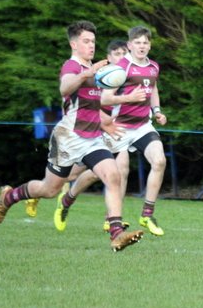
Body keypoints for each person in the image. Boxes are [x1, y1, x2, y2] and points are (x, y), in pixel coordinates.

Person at [0, 20, 143, 252]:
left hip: (92, 138)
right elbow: (64, 88)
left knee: (113, 175)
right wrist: (85, 75)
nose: (91, 45)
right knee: (49, 189)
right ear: (74, 44)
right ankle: (9, 197)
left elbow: (96, 102)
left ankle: (116, 233)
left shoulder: (96, 70)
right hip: (68, 138)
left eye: (93, 41)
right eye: (86, 41)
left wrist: (117, 108)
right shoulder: (71, 67)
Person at [52, 26, 167, 237]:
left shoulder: (153, 67)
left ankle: (146, 214)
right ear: (130, 45)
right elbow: (104, 99)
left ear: (150, 45)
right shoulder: (120, 68)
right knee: (92, 173)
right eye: (137, 42)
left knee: (159, 161)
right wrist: (129, 98)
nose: (142, 46)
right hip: (117, 127)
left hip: (142, 126)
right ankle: (67, 198)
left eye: (145, 43)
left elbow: (153, 89)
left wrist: (157, 111)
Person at [23, 39, 130, 219]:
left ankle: (110, 221)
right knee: (69, 177)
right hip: (90, 131)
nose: (121, 57)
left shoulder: (129, 74)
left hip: (111, 130)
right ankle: (45, 194)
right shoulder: (104, 74)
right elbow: (100, 102)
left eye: (124, 54)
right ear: (108, 57)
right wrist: (125, 101)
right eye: (116, 54)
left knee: (118, 170)